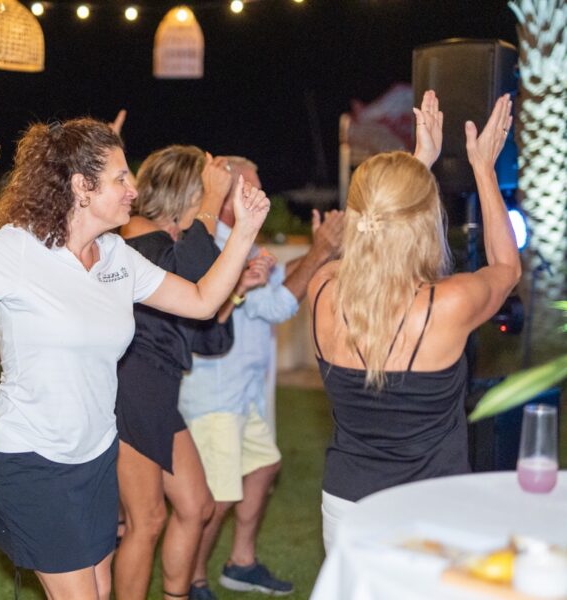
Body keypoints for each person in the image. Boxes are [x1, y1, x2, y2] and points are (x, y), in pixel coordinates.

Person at [0, 117, 270, 600]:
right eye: (121, 178)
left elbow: (204, 300)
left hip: (98, 454)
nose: (132, 191)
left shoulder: (117, 257)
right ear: (82, 187)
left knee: (100, 591)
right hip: (32, 459)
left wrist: (245, 230)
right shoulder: (17, 251)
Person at [309, 91, 520, 550]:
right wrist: (484, 168)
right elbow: (507, 268)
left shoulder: (323, 288)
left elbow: (372, 241)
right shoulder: (450, 304)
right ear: (427, 220)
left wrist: (418, 161)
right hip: (431, 508)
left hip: (346, 507)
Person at [179, 157, 343, 600]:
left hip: (241, 391)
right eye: (252, 188)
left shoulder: (240, 240)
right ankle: (191, 582)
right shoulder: (216, 243)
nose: (262, 196)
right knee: (216, 498)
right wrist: (321, 251)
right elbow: (278, 307)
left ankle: (241, 563)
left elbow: (272, 295)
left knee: (265, 466)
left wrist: (313, 254)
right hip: (214, 393)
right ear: (229, 196)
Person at [113, 146, 268, 600]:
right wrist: (207, 211)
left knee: (196, 505)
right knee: (146, 521)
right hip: (131, 389)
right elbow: (191, 275)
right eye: (206, 194)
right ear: (186, 193)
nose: (214, 206)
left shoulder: (170, 246)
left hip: (159, 392)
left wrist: (236, 290)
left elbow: (204, 336)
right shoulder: (137, 238)